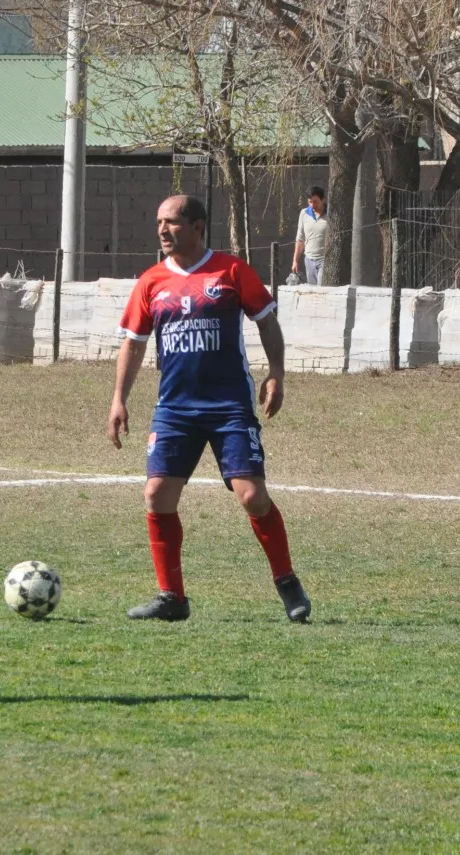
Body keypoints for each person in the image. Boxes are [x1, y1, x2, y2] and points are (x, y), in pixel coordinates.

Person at [108, 195, 312, 623]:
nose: (162, 230)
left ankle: (287, 581)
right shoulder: (151, 281)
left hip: (229, 407)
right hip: (175, 409)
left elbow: (267, 320)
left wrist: (276, 373)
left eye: (173, 223)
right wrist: (119, 399)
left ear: (198, 226)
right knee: (156, 494)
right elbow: (134, 342)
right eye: (159, 222)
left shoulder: (232, 270)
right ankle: (172, 598)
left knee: (253, 497)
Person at [292, 186, 328, 285]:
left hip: (324, 260)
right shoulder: (304, 213)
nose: (312, 205)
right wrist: (295, 261)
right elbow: (300, 239)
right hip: (309, 260)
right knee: (312, 292)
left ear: (323, 200)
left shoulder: (330, 215)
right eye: (310, 202)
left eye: (315, 202)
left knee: (321, 290)